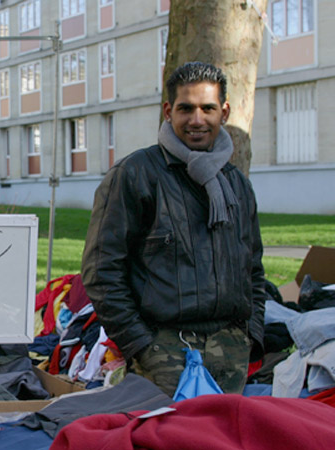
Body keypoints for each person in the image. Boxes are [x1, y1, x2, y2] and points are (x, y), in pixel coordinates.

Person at [81, 61, 265, 397]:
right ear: (169, 111)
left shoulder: (236, 183)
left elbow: (253, 269)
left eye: (208, 108)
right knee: (169, 447)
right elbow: (102, 271)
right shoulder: (136, 174)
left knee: (223, 447)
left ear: (224, 112)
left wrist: (251, 335)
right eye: (186, 108)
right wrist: (141, 345)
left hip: (232, 351)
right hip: (164, 349)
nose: (197, 120)